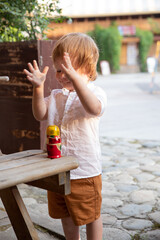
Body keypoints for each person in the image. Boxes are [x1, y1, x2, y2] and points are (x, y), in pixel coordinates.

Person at [24, 32, 107, 240]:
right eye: (59, 70)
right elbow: (39, 114)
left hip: (84, 171)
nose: (61, 76)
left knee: (91, 215)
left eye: (68, 70)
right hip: (57, 169)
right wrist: (38, 87)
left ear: (87, 68)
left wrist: (76, 81)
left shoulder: (95, 93)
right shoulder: (56, 96)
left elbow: (94, 108)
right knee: (65, 212)